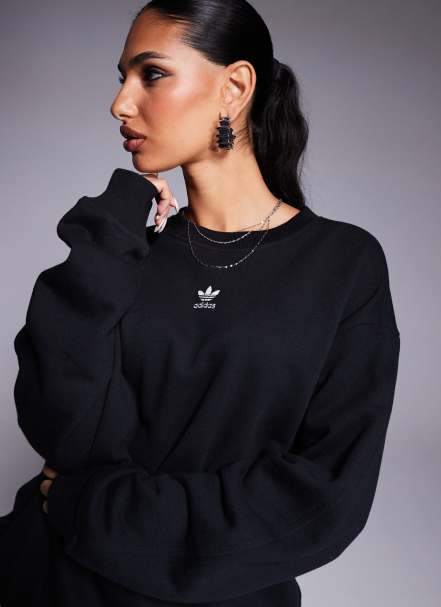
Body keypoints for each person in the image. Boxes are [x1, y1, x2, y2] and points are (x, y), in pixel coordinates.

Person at [0, 1, 401, 606]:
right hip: (47, 581)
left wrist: (93, 509)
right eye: (123, 78)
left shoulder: (342, 264)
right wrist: (117, 218)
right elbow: (61, 427)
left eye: (152, 74)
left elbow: (323, 498)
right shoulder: (124, 251)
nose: (120, 103)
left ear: (234, 87)